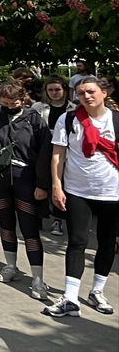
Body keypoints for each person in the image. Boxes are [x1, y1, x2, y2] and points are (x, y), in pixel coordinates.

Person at [43, 76, 118, 318]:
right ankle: (70, 297)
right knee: (77, 242)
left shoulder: (116, 120)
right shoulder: (68, 120)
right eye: (81, 93)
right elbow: (58, 155)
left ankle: (97, 291)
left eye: (91, 91)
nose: (86, 96)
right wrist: (57, 186)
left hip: (112, 192)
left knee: (107, 242)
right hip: (77, 191)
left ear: (104, 93)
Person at [0, 81, 51, 297]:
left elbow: (45, 153)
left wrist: (42, 184)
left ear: (22, 99)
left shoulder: (35, 119)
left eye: (13, 103)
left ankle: (38, 278)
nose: (9, 107)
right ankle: (10, 266)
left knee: (29, 229)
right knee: (6, 224)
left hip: (26, 179)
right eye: (5, 103)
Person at [32, 76, 75, 237]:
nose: (54, 93)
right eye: (50, 90)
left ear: (64, 90)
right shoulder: (38, 107)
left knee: (60, 183)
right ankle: (39, 217)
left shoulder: (73, 108)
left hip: (65, 150)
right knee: (41, 181)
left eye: (58, 89)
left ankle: (58, 219)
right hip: (42, 148)